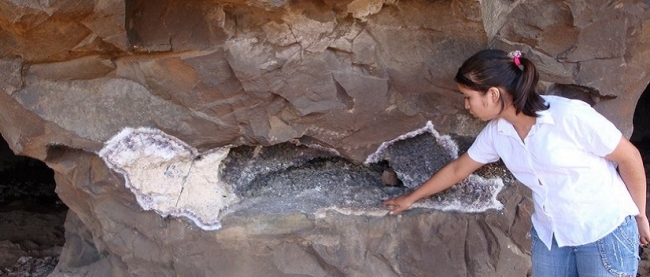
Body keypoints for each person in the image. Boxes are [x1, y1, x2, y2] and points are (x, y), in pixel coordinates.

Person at [383, 49, 650, 276]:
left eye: (469, 97)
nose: (466, 105)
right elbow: (457, 169)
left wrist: (639, 215)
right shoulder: (498, 133)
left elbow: (629, 157)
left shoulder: (569, 116)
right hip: (552, 237)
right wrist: (411, 198)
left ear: (494, 95)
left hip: (605, 231)